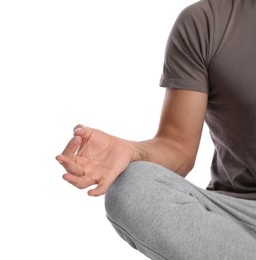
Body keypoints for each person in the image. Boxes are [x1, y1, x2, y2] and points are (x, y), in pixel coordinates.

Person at [56, 0, 256, 259]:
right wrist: (131, 151)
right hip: (240, 215)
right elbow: (178, 145)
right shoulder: (206, 21)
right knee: (134, 186)